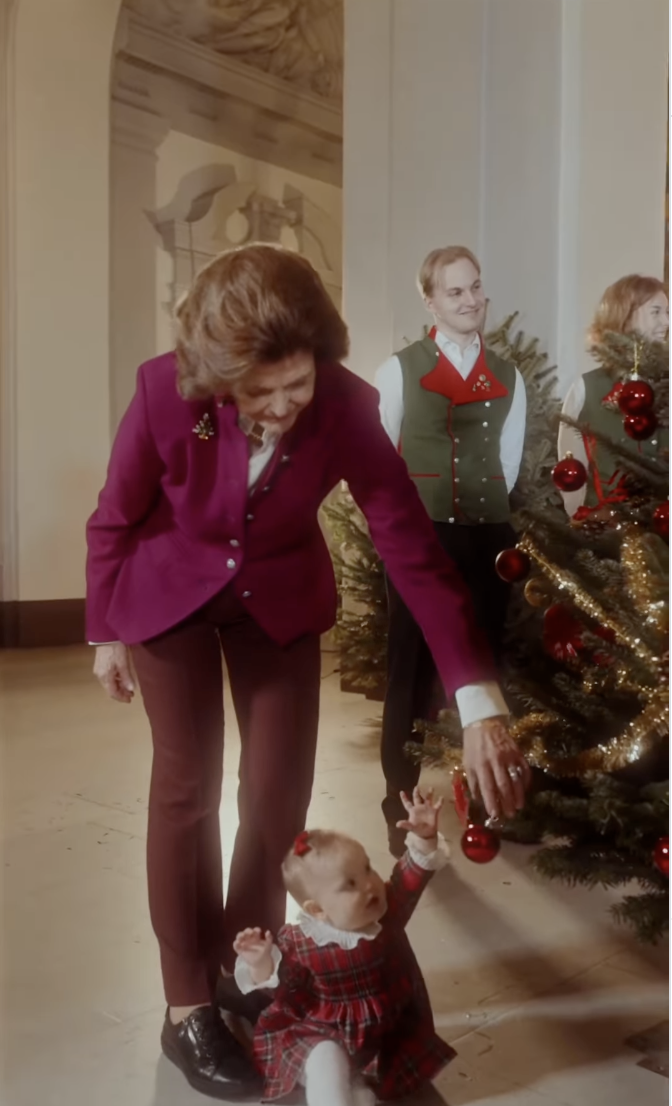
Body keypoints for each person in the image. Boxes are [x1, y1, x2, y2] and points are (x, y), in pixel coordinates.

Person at [86, 245, 529, 1100]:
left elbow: (411, 548)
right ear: (218, 374)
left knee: (277, 793)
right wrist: (107, 627)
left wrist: (477, 700)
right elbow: (116, 515)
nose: (285, 408)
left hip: (278, 598)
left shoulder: (345, 404)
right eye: (261, 394)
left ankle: (241, 975)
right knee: (186, 789)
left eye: (298, 386)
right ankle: (187, 1007)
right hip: (169, 593)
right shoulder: (160, 390)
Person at [375, 245, 527, 855]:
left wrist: (482, 513)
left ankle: (485, 803)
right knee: (408, 672)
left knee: (484, 668)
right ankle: (399, 802)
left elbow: (509, 463)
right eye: (456, 292)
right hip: (421, 536)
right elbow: (381, 460)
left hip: (488, 534)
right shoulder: (400, 369)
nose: (471, 301)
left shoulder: (509, 376)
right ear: (430, 301)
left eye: (476, 288)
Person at [233, 787, 453, 1105]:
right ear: (317, 910)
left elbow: (410, 876)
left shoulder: (385, 912)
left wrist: (424, 837)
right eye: (349, 885)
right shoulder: (300, 943)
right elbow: (285, 993)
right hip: (318, 1032)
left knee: (370, 1080)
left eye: (366, 868)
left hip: (379, 1031)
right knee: (327, 1062)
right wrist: (261, 964)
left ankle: (359, 1088)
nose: (368, 885)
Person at [558, 274, 669, 517]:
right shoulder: (586, 387)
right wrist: (583, 524)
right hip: (603, 531)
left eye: (668, 313)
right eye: (656, 312)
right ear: (626, 316)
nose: (666, 322)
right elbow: (571, 465)